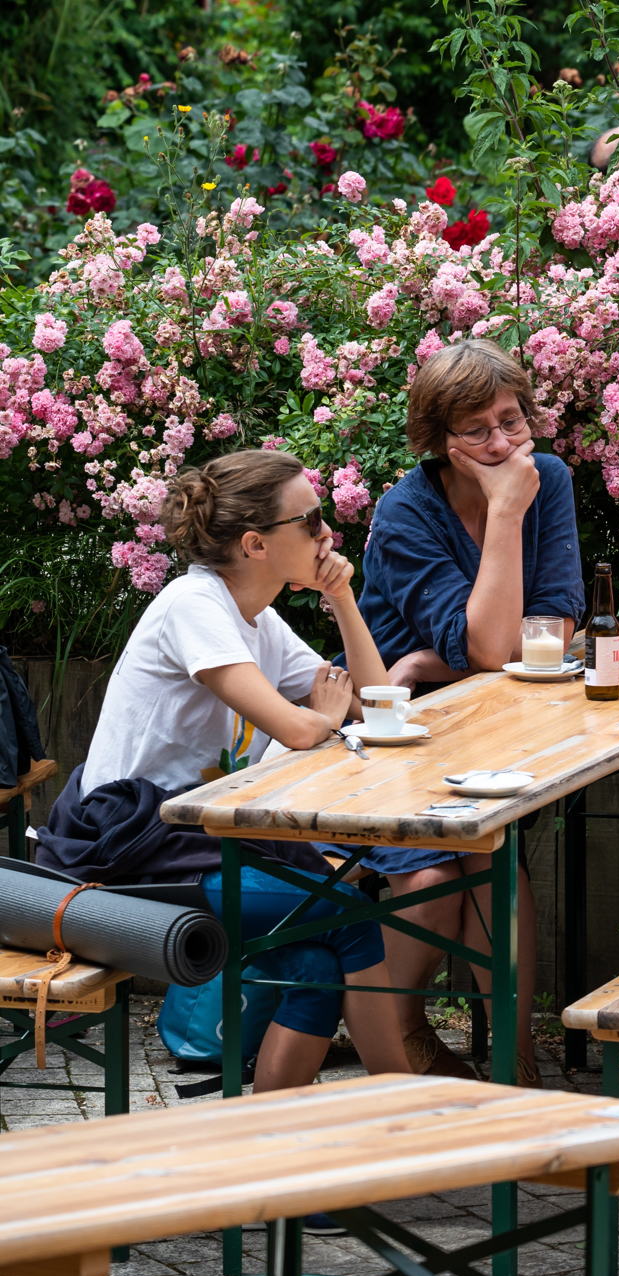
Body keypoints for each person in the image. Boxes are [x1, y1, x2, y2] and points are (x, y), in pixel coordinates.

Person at [37, 450, 415, 1092]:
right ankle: (407, 1106)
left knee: (313, 953)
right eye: (312, 519)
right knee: (347, 917)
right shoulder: (193, 605)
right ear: (255, 544)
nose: (328, 534)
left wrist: (343, 597)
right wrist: (322, 715)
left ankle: (267, 1142)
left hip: (194, 844)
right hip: (126, 855)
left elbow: (379, 708)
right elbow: (300, 727)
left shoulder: (257, 620)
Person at [345, 337, 584, 1084]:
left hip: (494, 727)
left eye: (512, 420)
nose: (502, 442)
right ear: (438, 440)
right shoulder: (406, 512)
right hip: (397, 741)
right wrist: (506, 516)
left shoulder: (551, 478)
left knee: (493, 856)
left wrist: (446, 658)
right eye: (477, 429)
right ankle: (397, 1027)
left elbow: (552, 631)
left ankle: (516, 1060)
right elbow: (491, 645)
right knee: (429, 884)